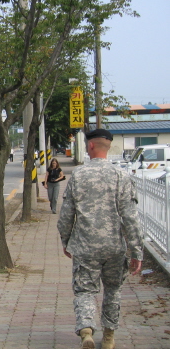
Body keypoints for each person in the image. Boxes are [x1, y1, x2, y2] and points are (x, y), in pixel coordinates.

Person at [57, 129, 142, 349]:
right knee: (113, 291)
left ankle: (86, 330)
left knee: (85, 290)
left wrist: (65, 240)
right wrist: (136, 251)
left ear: (91, 146)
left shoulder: (79, 175)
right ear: (108, 146)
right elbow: (130, 217)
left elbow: (66, 214)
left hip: (85, 247)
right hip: (115, 247)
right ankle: (109, 337)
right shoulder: (121, 176)